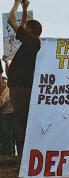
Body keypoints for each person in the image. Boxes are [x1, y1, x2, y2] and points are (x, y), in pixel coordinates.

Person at [7, 0, 42, 156]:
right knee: (24, 120)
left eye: (26, 28)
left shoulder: (32, 42)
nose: (23, 28)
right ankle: (26, 155)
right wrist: (25, 8)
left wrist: (15, 4)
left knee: (21, 121)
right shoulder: (32, 42)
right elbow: (23, 25)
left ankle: (23, 157)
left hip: (20, 88)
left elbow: (11, 21)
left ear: (30, 31)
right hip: (23, 87)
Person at [0, 77, 14, 155]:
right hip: (8, 114)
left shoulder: (6, 90)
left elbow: (2, 103)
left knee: (7, 136)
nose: (4, 84)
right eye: (3, 82)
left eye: (5, 82)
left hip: (6, 114)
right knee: (9, 136)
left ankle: (8, 153)